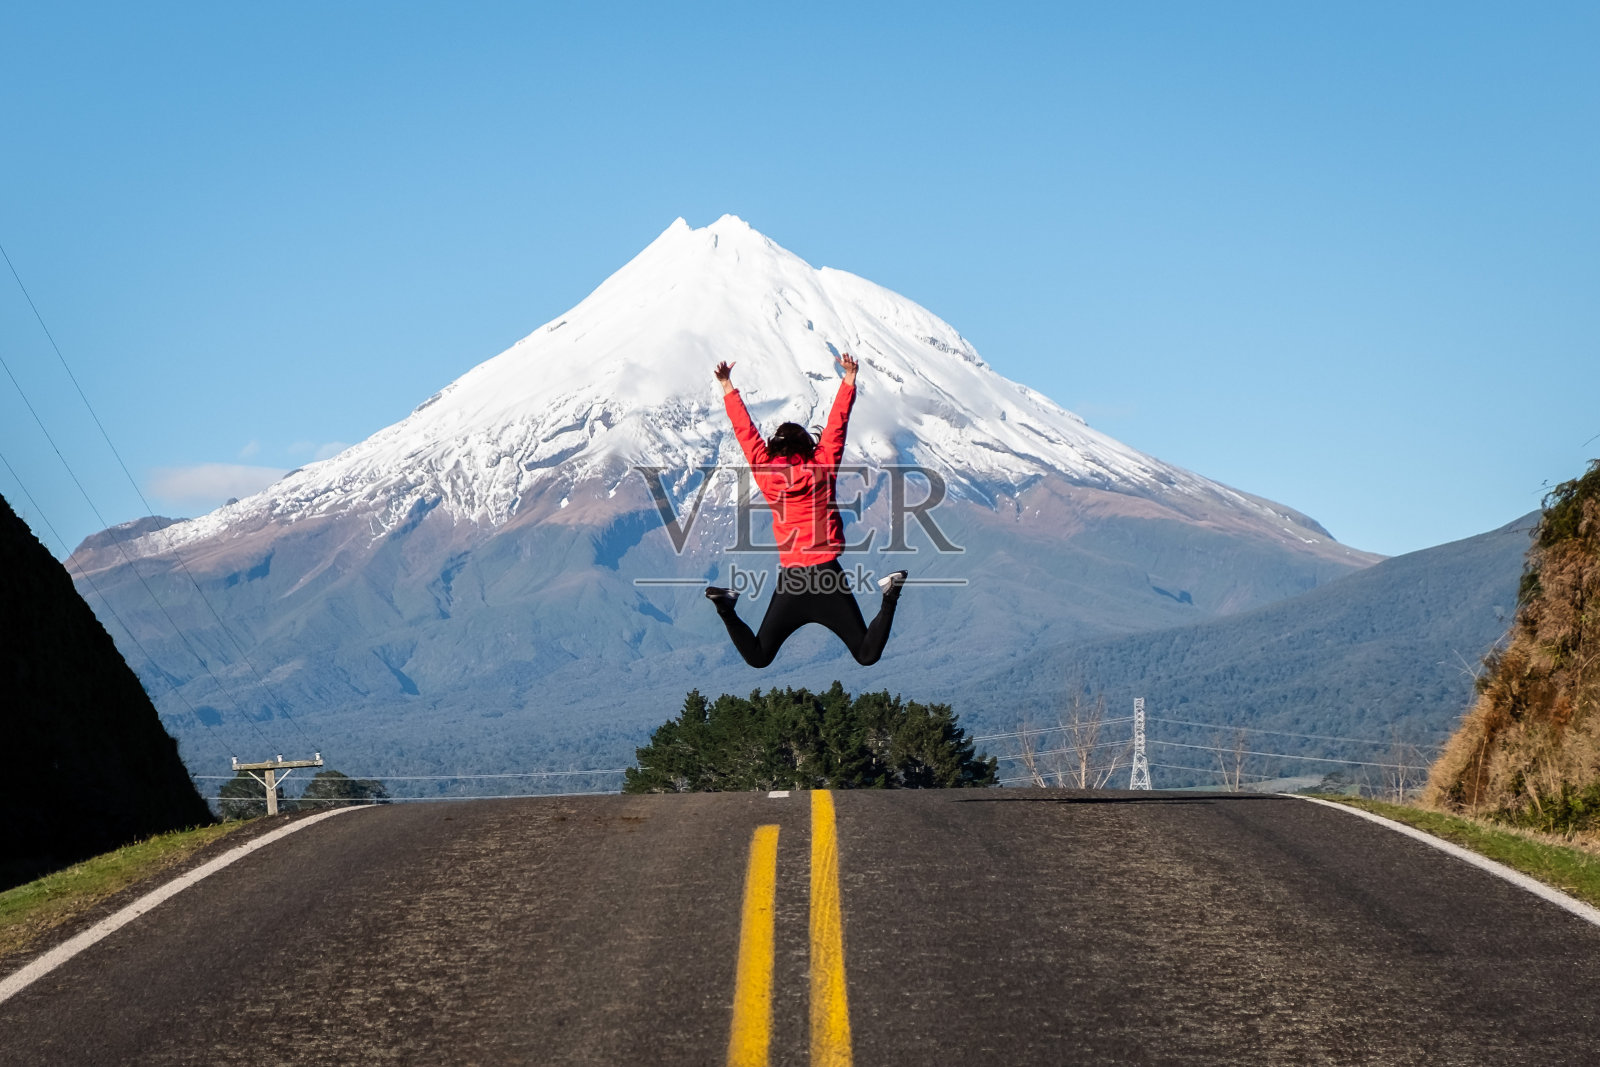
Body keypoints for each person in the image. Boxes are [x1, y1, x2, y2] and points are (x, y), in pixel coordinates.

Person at [706, 352, 907, 668]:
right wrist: (849, 378)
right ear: (807, 445)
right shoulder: (822, 465)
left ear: (774, 448)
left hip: (793, 581)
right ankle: (890, 595)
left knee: (759, 657)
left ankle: (725, 607)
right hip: (827, 576)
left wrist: (727, 385)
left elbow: (744, 432)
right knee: (866, 654)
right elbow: (837, 424)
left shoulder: (765, 470)